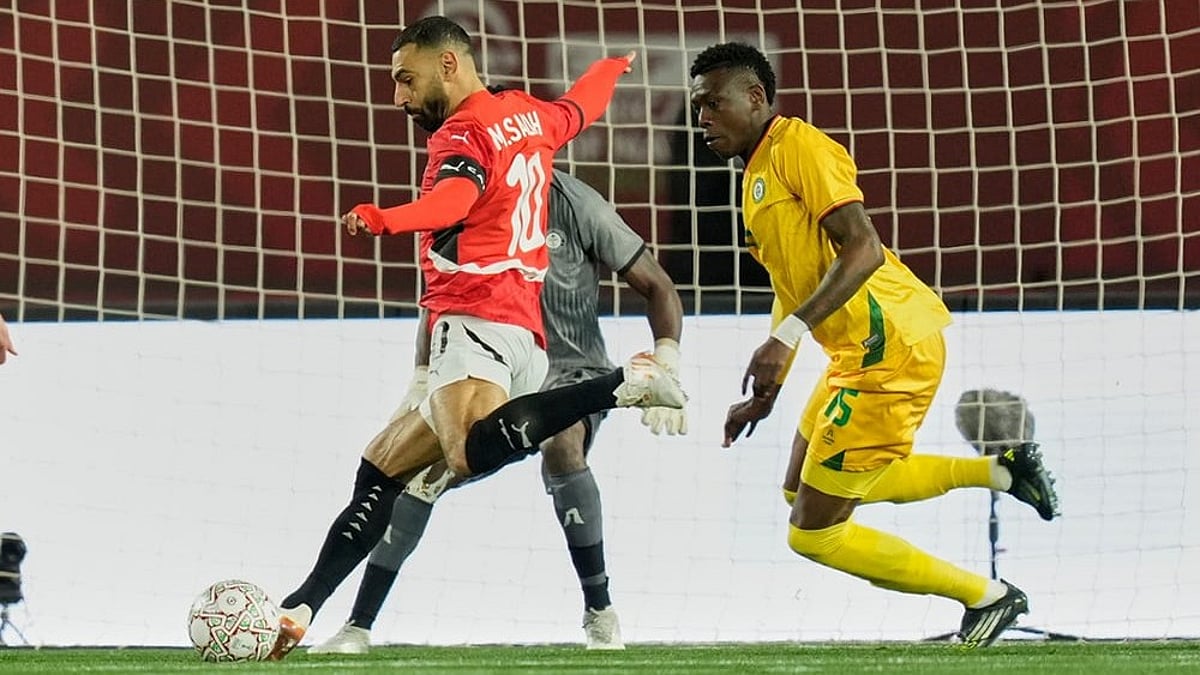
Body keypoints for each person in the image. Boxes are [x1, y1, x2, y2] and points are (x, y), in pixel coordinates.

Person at [268, 17, 685, 660]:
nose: (399, 97)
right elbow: (582, 107)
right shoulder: (528, 115)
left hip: (474, 320)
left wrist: (383, 218)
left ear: (449, 65)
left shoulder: (462, 133)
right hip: (521, 336)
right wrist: (610, 69)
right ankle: (303, 608)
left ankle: (622, 385)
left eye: (406, 80)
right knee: (381, 469)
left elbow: (452, 205)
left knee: (463, 454)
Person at [689, 42, 1060, 648]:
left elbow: (864, 249)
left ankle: (988, 597)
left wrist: (787, 339)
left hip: (891, 350)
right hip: (857, 352)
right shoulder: (756, 175)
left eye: (713, 104)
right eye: (697, 108)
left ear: (755, 98)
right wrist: (771, 381)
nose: (702, 118)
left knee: (812, 532)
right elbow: (792, 287)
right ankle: (1003, 471)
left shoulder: (799, 147)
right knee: (798, 488)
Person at [309, 168, 685, 654]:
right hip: (491, 369)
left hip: (572, 375)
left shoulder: (576, 203)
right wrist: (422, 380)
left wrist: (668, 359)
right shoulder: (466, 197)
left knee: (562, 443)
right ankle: (357, 627)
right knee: (421, 475)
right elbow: (443, 298)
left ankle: (600, 612)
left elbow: (657, 285)